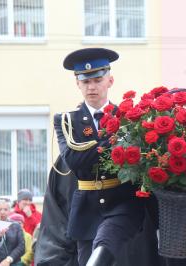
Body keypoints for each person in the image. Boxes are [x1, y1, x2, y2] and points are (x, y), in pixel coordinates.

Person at [54, 48, 144, 266]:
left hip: (122, 203)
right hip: (87, 210)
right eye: (85, 82)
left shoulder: (127, 117)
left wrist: (90, 151)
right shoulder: (66, 120)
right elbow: (74, 161)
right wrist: (113, 143)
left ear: (110, 80)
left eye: (97, 80)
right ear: (78, 83)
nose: (91, 87)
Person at [0, 199, 25, 266]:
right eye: (0, 209)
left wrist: (8, 260)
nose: (2, 212)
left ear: (9, 211)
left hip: (14, 262)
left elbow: (22, 246)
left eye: (5, 209)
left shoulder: (16, 225)